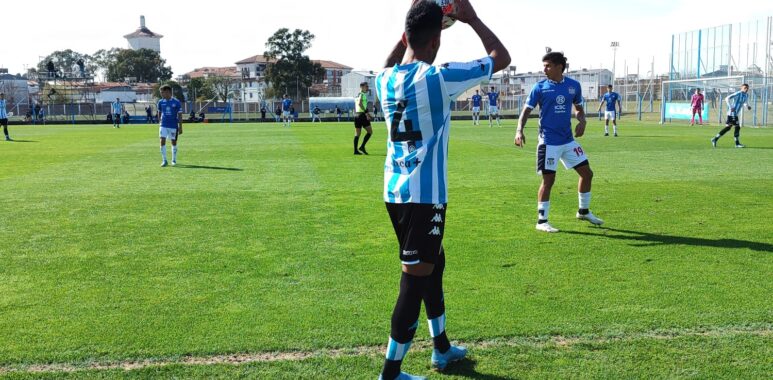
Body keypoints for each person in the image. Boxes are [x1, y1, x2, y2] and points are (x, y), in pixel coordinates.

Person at [376, 1, 510, 378]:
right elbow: (501, 58)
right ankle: (391, 372)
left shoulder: (383, 79)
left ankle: (442, 347)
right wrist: (472, 19)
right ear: (437, 40)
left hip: (395, 191)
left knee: (434, 264)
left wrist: (409, 30)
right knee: (414, 278)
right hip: (425, 195)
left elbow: (389, 63)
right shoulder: (439, 77)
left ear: (405, 37)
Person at [514, 51, 604, 233]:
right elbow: (526, 111)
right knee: (549, 181)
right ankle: (541, 221)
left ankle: (583, 211)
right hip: (548, 142)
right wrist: (519, 130)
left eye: (547, 66)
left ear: (559, 67)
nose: (544, 69)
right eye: (544, 66)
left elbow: (578, 109)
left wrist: (582, 121)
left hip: (568, 141)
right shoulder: (539, 87)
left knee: (587, 174)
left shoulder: (573, 86)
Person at [711, 83, 752, 148]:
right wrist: (730, 107)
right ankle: (737, 144)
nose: (746, 89)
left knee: (728, 127)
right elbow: (727, 98)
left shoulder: (746, 95)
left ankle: (715, 139)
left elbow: (744, 102)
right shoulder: (738, 93)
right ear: (741, 88)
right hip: (732, 113)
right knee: (737, 127)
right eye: (745, 88)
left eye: (747, 88)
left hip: (735, 114)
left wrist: (747, 106)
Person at [158, 84, 183, 167]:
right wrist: (159, 121)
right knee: (162, 140)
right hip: (163, 124)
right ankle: (164, 160)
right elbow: (159, 112)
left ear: (168, 92)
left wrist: (180, 126)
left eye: (162, 92)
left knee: (173, 142)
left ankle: (174, 159)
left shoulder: (176, 102)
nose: (161, 94)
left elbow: (179, 115)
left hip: (173, 125)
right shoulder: (161, 102)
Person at [354, 82, 373, 155]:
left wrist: (367, 113)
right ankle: (362, 146)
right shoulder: (362, 94)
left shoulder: (358, 95)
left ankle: (355, 151)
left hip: (356, 115)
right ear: (361, 87)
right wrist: (366, 113)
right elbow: (360, 104)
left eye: (367, 86)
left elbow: (358, 105)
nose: (367, 88)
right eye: (366, 86)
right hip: (362, 115)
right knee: (370, 132)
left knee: (357, 134)